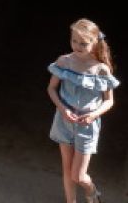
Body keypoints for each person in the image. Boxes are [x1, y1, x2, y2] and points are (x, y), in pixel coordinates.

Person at [47, 19, 119, 203]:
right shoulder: (64, 61)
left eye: (84, 43)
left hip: (87, 126)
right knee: (66, 169)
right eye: (74, 41)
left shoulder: (101, 69)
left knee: (78, 176)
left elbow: (109, 101)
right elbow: (51, 89)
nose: (78, 46)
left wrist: (93, 115)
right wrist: (62, 109)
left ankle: (92, 190)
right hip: (64, 121)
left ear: (94, 42)